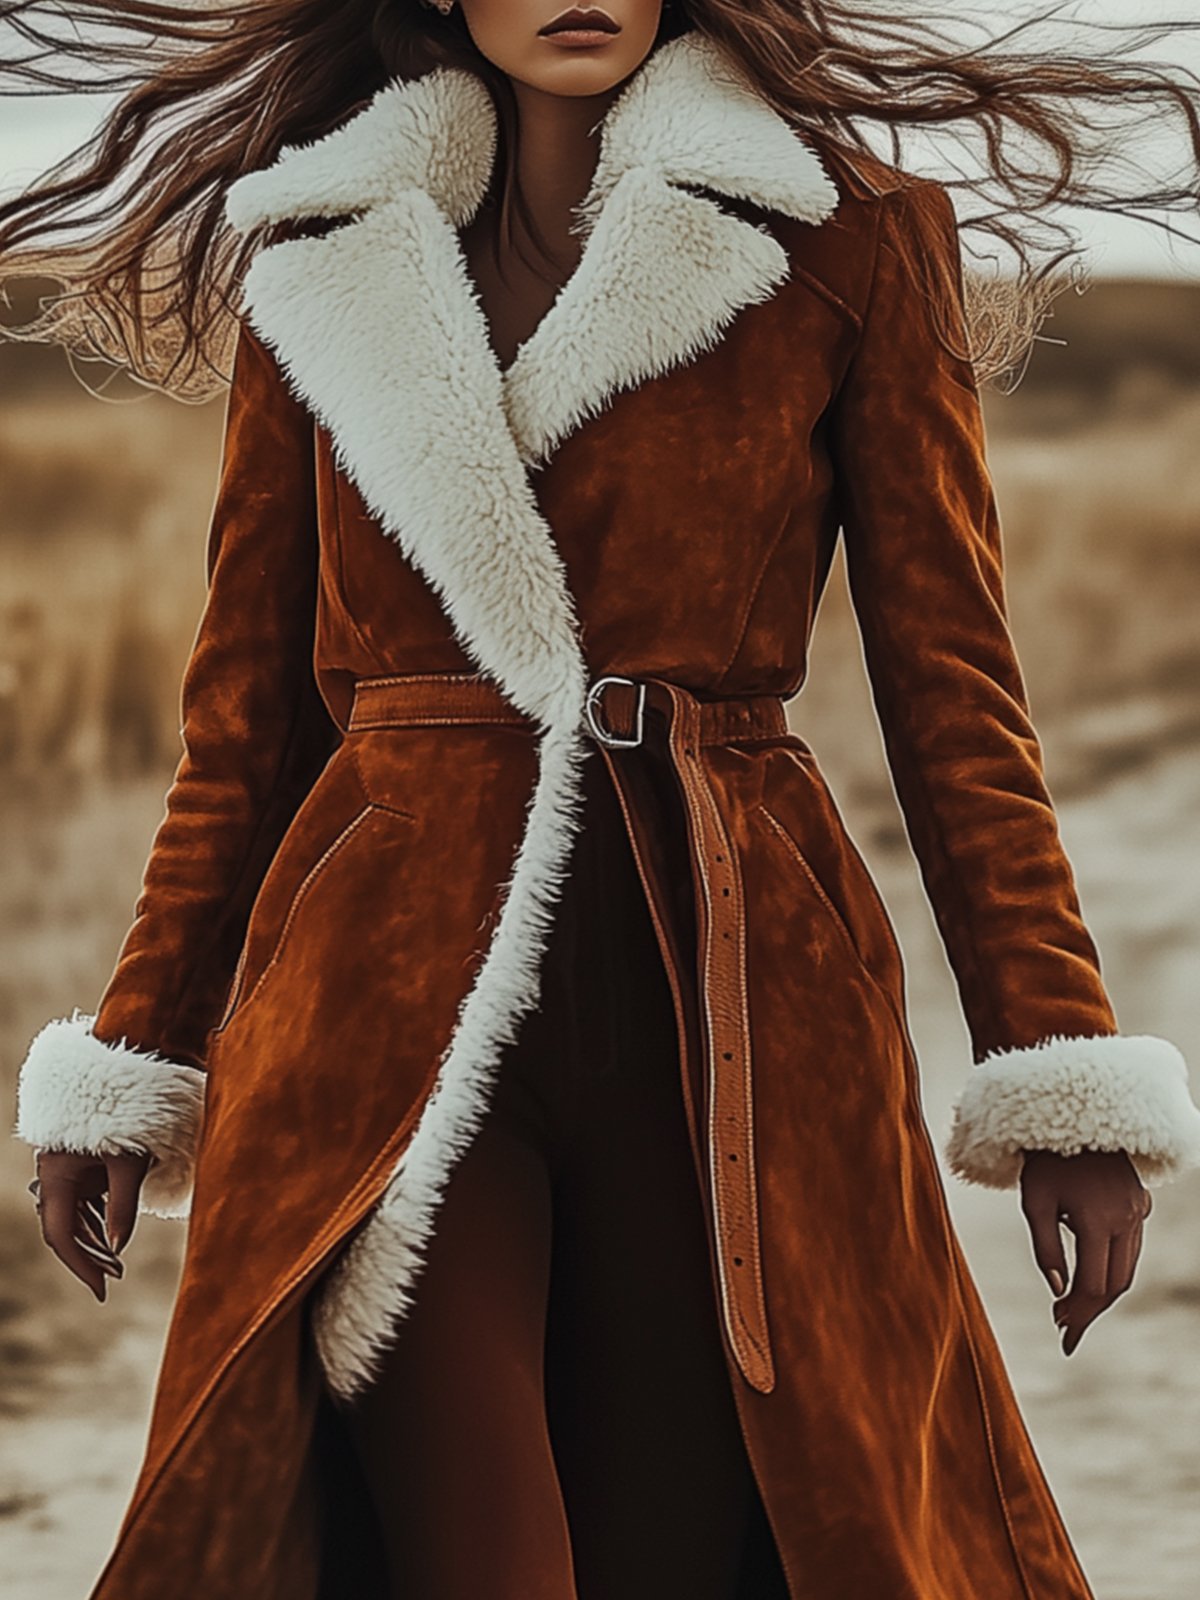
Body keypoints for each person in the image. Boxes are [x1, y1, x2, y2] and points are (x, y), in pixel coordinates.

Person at [4, 3, 1200, 1597]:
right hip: (383, 1029)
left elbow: (958, 705)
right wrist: (137, 1048)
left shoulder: (850, 242)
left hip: (729, 1015)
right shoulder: (321, 249)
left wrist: (1059, 1081)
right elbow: (242, 727)